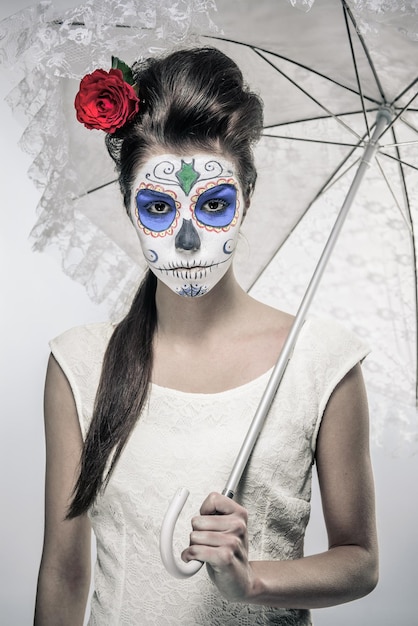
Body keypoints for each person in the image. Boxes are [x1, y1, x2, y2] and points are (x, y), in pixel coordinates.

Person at [34, 47, 378, 625]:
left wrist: (254, 580)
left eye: (214, 204)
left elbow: (361, 561)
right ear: (128, 207)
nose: (188, 240)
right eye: (159, 207)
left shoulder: (320, 361)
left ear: (247, 198)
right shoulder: (80, 363)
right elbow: (65, 571)